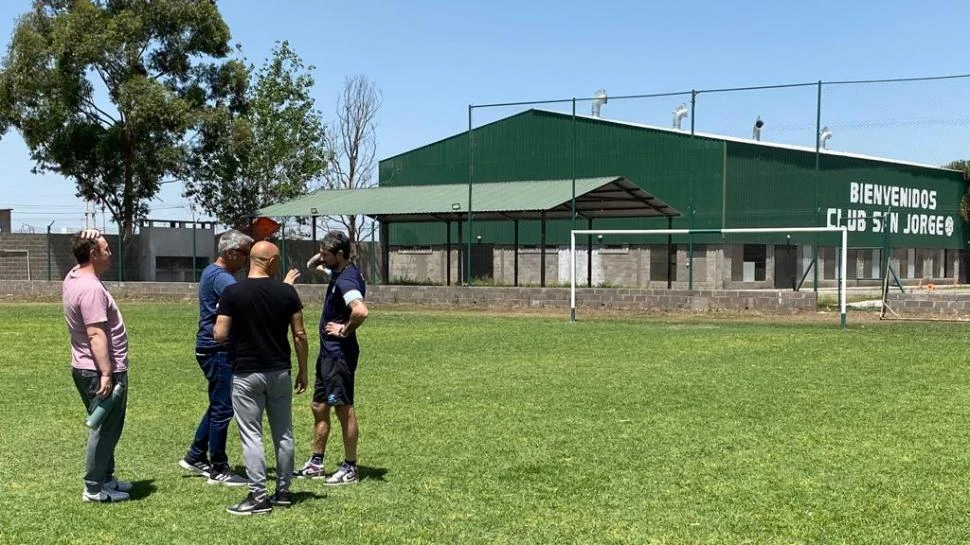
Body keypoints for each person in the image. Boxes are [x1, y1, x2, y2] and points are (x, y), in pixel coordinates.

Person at [215, 241, 309, 515]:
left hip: (246, 372)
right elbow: (300, 334)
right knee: (284, 433)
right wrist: (303, 369)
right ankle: (283, 492)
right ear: (269, 261)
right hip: (280, 370)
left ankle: (258, 496)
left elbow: (219, 334)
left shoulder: (232, 292)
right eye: (278, 260)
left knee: (251, 434)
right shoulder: (287, 293)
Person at [178, 230, 253, 486]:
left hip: (211, 347)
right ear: (231, 252)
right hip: (216, 349)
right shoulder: (222, 278)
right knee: (223, 407)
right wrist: (280, 289)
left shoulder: (215, 273)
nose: (248, 259)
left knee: (217, 403)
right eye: (245, 253)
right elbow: (247, 298)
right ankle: (218, 467)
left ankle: (196, 455)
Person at [63, 229, 133, 502]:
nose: (110, 253)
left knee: (108, 425)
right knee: (105, 428)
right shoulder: (90, 288)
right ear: (93, 254)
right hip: (99, 370)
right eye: (106, 249)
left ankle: (105, 477)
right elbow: (96, 333)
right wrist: (107, 373)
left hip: (84, 367)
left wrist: (84, 237)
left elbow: (78, 261)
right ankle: (94, 487)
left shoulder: (74, 277)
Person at [295, 231, 369, 485]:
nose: (322, 257)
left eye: (327, 253)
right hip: (327, 354)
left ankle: (350, 468)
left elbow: (360, 311)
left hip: (339, 354)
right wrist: (324, 254)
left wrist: (344, 329)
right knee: (319, 406)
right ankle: (316, 463)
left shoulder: (347, 280)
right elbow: (311, 265)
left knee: (343, 408)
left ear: (340, 255)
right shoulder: (339, 272)